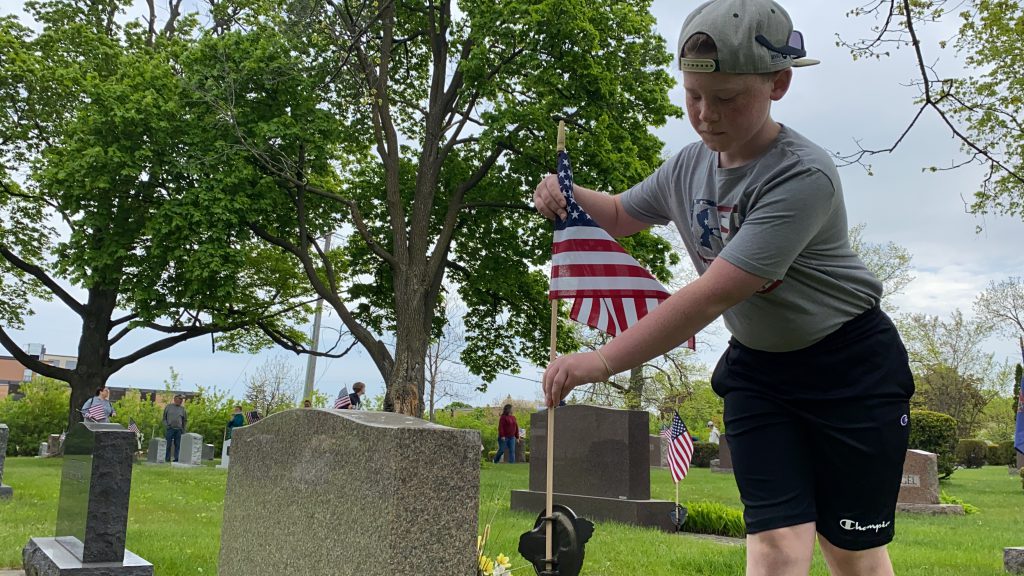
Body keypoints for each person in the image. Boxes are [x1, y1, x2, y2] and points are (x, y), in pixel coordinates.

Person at [533, 2, 914, 574]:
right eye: (693, 96)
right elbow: (616, 214)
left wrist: (603, 360)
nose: (706, 114)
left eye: (728, 97)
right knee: (777, 543)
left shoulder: (800, 175)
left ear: (778, 83)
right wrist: (565, 194)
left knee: (851, 552)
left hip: (851, 371)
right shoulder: (688, 166)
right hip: (760, 376)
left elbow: (712, 295)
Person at [162, 394, 188, 463]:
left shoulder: (182, 409)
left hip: (179, 430)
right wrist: (167, 426)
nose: (181, 401)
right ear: (175, 399)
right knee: (168, 444)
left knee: (178, 445)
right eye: (180, 399)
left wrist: (183, 429)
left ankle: (176, 459)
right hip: (170, 429)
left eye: (182, 400)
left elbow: (185, 420)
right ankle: (167, 459)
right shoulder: (168, 407)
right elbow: (164, 418)